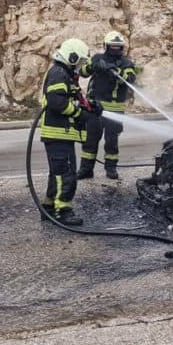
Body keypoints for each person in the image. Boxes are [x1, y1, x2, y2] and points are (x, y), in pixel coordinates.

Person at [39, 38, 100, 226]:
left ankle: (49, 208)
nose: (80, 66)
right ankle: (62, 212)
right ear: (71, 57)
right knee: (66, 175)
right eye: (79, 61)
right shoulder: (59, 73)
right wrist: (80, 113)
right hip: (58, 133)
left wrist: (90, 106)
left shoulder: (65, 74)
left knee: (57, 174)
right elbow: (57, 102)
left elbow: (72, 99)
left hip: (60, 135)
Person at [77, 31, 137, 181]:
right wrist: (95, 66)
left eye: (118, 47)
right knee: (90, 141)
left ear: (122, 47)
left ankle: (111, 169)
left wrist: (117, 72)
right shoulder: (97, 58)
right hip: (95, 109)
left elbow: (130, 79)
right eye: (112, 46)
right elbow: (82, 71)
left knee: (111, 143)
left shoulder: (126, 63)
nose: (115, 49)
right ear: (106, 46)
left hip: (115, 111)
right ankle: (86, 170)